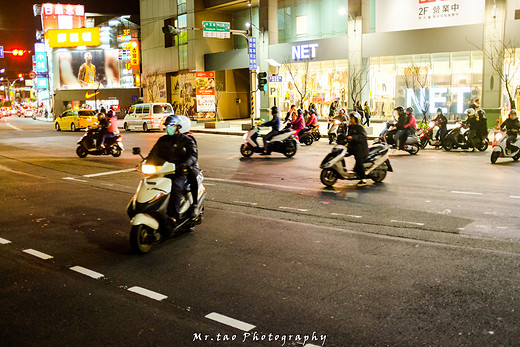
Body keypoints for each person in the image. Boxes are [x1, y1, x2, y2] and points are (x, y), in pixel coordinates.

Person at [146, 115, 198, 223]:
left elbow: (193, 156)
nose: (168, 128)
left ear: (178, 127)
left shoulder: (187, 140)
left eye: (171, 126)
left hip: (180, 171)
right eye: (167, 126)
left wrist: (185, 164)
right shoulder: (162, 140)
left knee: (176, 186)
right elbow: (153, 154)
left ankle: (173, 215)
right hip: (164, 170)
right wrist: (144, 163)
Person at [346, 111, 369, 186]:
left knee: (359, 162)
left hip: (361, 148)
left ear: (355, 119)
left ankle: (363, 179)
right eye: (350, 118)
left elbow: (361, 136)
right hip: (353, 147)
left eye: (351, 118)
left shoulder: (360, 128)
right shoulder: (350, 127)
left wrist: (353, 137)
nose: (350, 119)